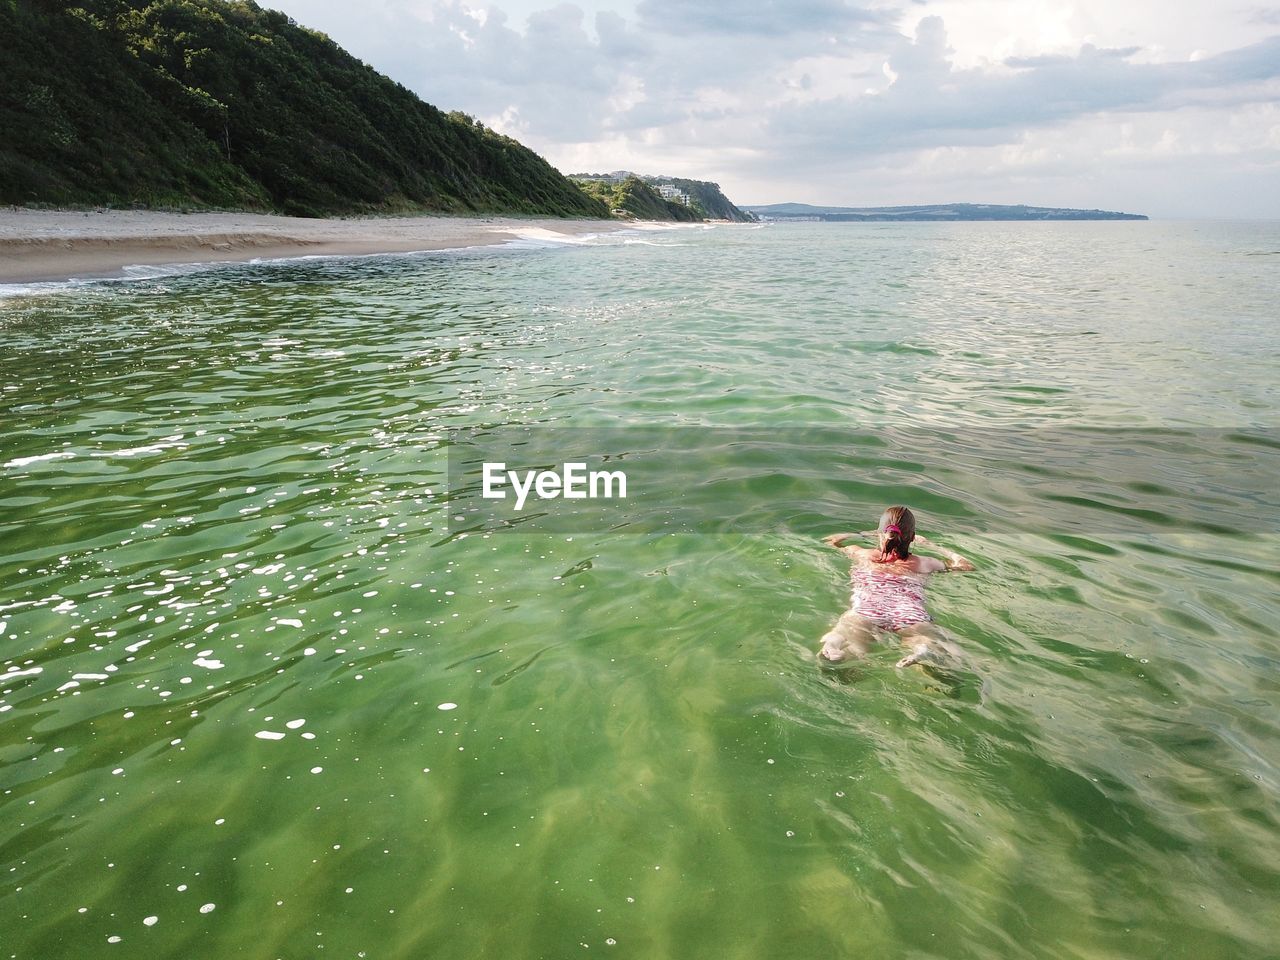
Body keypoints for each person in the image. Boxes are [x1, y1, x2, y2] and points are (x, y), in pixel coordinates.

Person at [818, 506, 974, 668]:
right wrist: (931, 545)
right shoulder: (926, 563)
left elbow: (832, 541)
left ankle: (836, 646)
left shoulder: (860, 553)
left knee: (854, 645)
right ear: (912, 537)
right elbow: (966, 566)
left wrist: (862, 534)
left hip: (868, 609)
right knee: (926, 640)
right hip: (909, 612)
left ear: (880, 533)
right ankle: (923, 650)